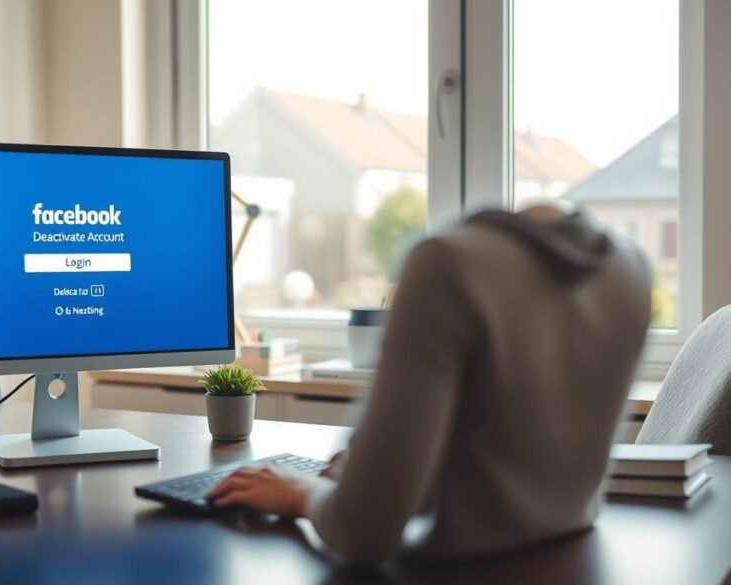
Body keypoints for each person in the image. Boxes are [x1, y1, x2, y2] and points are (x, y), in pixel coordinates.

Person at [209, 205, 652, 564]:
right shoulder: (629, 266)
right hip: (571, 560)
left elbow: (361, 532)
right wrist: (382, 468)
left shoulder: (447, 263)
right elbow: (511, 456)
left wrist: (296, 491)